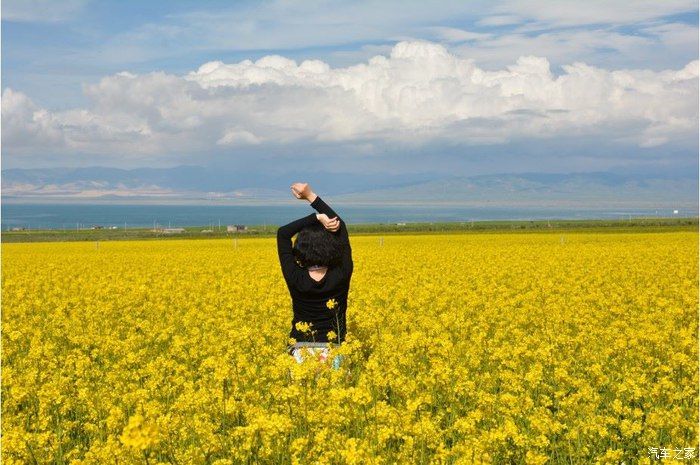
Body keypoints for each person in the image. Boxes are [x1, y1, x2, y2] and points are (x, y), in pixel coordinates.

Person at [277, 182, 353, 369]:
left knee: (301, 398)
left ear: (299, 249)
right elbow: (341, 226)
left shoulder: (295, 276)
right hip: (333, 352)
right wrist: (310, 195)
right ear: (332, 247)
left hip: (299, 353)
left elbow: (283, 234)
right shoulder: (341, 274)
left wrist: (315, 218)